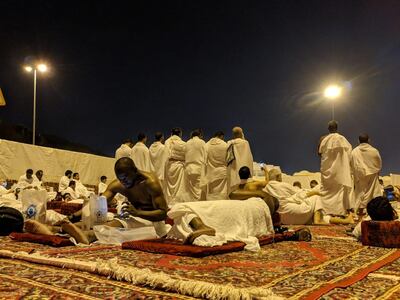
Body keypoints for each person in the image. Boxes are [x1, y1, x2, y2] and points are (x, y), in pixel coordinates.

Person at [102, 157, 170, 237]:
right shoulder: (119, 184)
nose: (123, 182)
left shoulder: (150, 182)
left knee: (115, 226)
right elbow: (100, 202)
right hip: (134, 218)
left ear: (135, 171)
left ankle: (90, 235)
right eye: (120, 179)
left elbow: (163, 214)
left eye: (125, 178)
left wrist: (138, 213)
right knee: (110, 223)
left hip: (154, 223)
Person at [318, 120, 353, 216]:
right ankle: (339, 212)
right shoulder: (343, 139)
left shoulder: (323, 139)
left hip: (327, 172)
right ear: (337, 128)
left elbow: (319, 154)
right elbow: (349, 155)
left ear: (328, 128)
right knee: (339, 191)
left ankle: (326, 211)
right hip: (340, 172)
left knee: (327, 191)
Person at [351, 134, 382, 217]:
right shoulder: (374, 151)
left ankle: (359, 214)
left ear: (358, 141)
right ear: (369, 140)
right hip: (372, 174)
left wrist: (356, 172)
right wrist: (375, 170)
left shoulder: (354, 151)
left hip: (360, 175)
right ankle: (374, 214)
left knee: (360, 194)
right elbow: (378, 163)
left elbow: (352, 163)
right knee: (372, 193)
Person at [226, 127, 254, 193]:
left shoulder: (230, 143)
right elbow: (249, 157)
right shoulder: (245, 143)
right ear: (241, 134)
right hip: (244, 169)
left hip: (233, 169)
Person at [183, 129, 207, 201]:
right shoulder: (202, 142)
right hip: (198, 167)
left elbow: (185, 154)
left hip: (188, 168)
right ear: (200, 135)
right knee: (199, 189)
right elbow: (205, 155)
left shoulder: (187, 143)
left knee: (190, 191)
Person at [164, 127, 186, 205]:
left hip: (169, 166)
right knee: (179, 187)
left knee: (169, 187)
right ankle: (177, 203)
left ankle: (169, 202)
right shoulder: (183, 143)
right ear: (180, 134)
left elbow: (166, 155)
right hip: (179, 166)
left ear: (171, 133)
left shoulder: (167, 142)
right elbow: (185, 156)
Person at [205, 131, 228, 200]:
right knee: (222, 193)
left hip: (211, 172)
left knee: (212, 192)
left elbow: (204, 158)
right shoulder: (225, 145)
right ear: (221, 136)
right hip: (222, 171)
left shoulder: (207, 145)